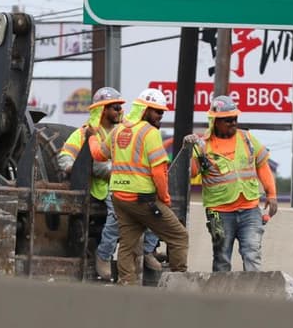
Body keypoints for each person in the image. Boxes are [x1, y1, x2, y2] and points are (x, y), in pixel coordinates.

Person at [56, 87, 156, 280]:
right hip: (105, 188)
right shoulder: (85, 133)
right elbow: (65, 156)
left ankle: (146, 252)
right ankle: (104, 255)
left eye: (120, 107)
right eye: (115, 107)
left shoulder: (126, 131)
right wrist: (76, 168)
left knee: (153, 209)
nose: (120, 111)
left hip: (131, 182)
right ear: (102, 110)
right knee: (118, 215)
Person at [104, 88, 189, 286]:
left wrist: (91, 136)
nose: (161, 116)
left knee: (127, 243)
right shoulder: (150, 133)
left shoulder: (118, 130)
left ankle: (127, 285)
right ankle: (179, 283)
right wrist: (165, 198)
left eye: (162, 112)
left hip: (119, 197)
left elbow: (100, 154)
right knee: (179, 236)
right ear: (145, 110)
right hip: (142, 199)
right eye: (157, 111)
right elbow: (159, 173)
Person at [184, 95, 278, 272]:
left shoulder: (246, 138)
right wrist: (188, 150)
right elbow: (191, 172)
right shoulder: (204, 145)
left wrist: (271, 194)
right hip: (219, 212)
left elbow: (262, 166)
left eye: (235, 119)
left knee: (252, 253)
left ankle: (253, 295)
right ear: (215, 121)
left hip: (250, 209)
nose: (233, 123)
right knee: (222, 257)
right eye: (227, 120)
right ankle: (222, 297)